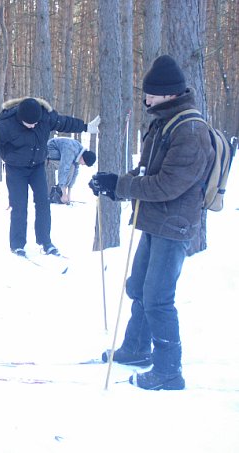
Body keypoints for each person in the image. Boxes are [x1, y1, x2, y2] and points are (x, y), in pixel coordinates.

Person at [89, 55, 214, 390]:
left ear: (170, 94)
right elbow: (147, 172)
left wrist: (122, 186)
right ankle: (136, 348)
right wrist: (113, 183)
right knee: (139, 287)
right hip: (155, 219)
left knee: (158, 297)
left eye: (152, 94)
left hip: (174, 225)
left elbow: (167, 185)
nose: (146, 99)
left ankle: (169, 371)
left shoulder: (190, 131)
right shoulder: (164, 122)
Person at [0, 97, 100, 257]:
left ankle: (45, 242)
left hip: (37, 167)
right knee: (19, 205)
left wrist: (85, 127)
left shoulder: (44, 117)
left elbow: (64, 122)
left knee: (43, 203)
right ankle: (17, 245)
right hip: (15, 169)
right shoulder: (6, 124)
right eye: (29, 124)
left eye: (35, 123)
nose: (33, 125)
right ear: (20, 118)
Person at [47, 137, 96, 204]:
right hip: (50, 149)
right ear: (83, 158)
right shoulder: (71, 151)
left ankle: (61, 192)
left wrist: (69, 193)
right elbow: (64, 169)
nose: (82, 165)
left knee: (72, 167)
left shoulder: (79, 152)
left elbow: (75, 173)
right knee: (69, 167)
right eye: (84, 163)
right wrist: (64, 194)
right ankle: (58, 192)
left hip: (61, 151)